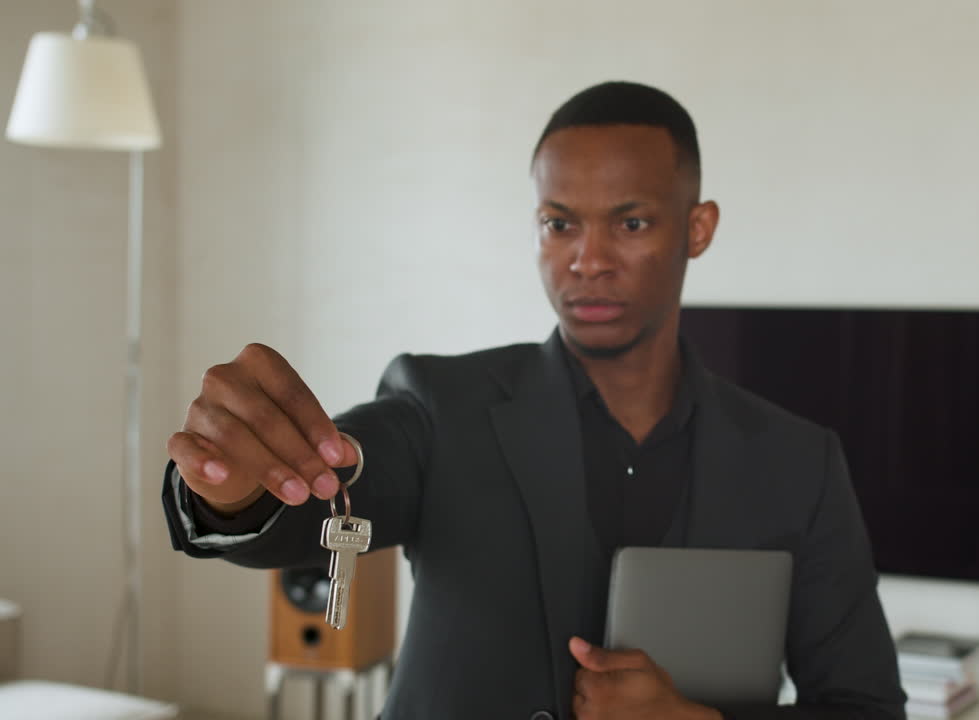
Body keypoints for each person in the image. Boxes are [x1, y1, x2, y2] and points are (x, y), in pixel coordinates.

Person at [161, 81, 907, 720]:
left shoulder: (799, 462)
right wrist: (233, 490)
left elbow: (867, 707)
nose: (588, 260)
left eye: (631, 223)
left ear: (698, 228)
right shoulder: (439, 406)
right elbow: (319, 495)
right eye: (559, 224)